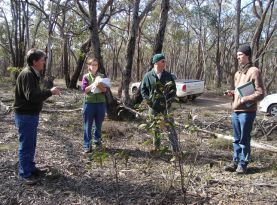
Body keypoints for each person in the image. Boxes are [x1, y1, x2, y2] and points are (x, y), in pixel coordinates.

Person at [14, 48, 60, 185]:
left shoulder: (33, 73)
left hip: (30, 115)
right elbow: (32, 96)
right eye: (42, 60)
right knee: (26, 145)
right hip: (25, 115)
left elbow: (33, 94)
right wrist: (50, 92)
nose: (44, 62)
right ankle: (24, 173)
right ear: (34, 62)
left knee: (31, 144)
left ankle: (30, 167)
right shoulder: (28, 74)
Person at [224, 45, 264, 174]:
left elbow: (260, 93)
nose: (238, 57)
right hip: (236, 111)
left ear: (247, 55)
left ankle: (243, 164)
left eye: (240, 55)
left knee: (244, 139)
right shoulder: (238, 73)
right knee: (236, 139)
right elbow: (238, 91)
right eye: (237, 55)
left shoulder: (254, 71)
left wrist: (244, 99)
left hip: (247, 112)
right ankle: (235, 162)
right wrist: (232, 93)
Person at [140, 53, 178, 151]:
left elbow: (173, 90)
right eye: (163, 61)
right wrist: (149, 102)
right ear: (156, 63)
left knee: (170, 127)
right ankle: (157, 148)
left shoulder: (168, 76)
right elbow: (143, 90)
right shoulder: (148, 76)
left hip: (166, 106)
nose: (165, 63)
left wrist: (169, 101)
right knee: (155, 128)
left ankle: (176, 150)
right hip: (153, 107)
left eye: (164, 61)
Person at [81, 58, 109, 153]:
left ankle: (97, 142)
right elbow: (85, 89)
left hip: (100, 103)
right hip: (89, 103)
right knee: (88, 125)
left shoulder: (102, 76)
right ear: (89, 66)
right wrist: (94, 83)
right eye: (92, 65)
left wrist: (99, 85)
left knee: (98, 124)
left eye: (96, 65)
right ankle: (87, 145)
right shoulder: (86, 77)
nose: (94, 66)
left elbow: (105, 90)